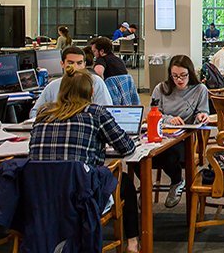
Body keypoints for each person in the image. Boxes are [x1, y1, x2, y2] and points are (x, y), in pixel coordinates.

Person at [29, 66, 141, 252]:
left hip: (41, 194)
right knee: (125, 184)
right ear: (90, 91)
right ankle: (132, 242)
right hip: (80, 193)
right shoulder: (95, 112)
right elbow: (126, 147)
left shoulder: (43, 114)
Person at [142, 55, 210, 208]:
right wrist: (168, 119)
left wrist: (201, 116)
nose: (179, 80)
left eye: (183, 75)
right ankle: (146, 187)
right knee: (140, 157)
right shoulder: (161, 88)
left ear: (190, 73)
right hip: (161, 133)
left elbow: (203, 111)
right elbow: (153, 112)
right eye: (175, 76)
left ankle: (176, 181)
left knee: (169, 154)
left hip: (183, 138)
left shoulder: (200, 89)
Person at [30, 46, 113, 117]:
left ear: (84, 64)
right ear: (62, 64)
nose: (75, 67)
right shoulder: (53, 86)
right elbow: (34, 112)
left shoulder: (96, 82)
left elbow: (107, 111)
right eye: (70, 63)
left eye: (79, 63)